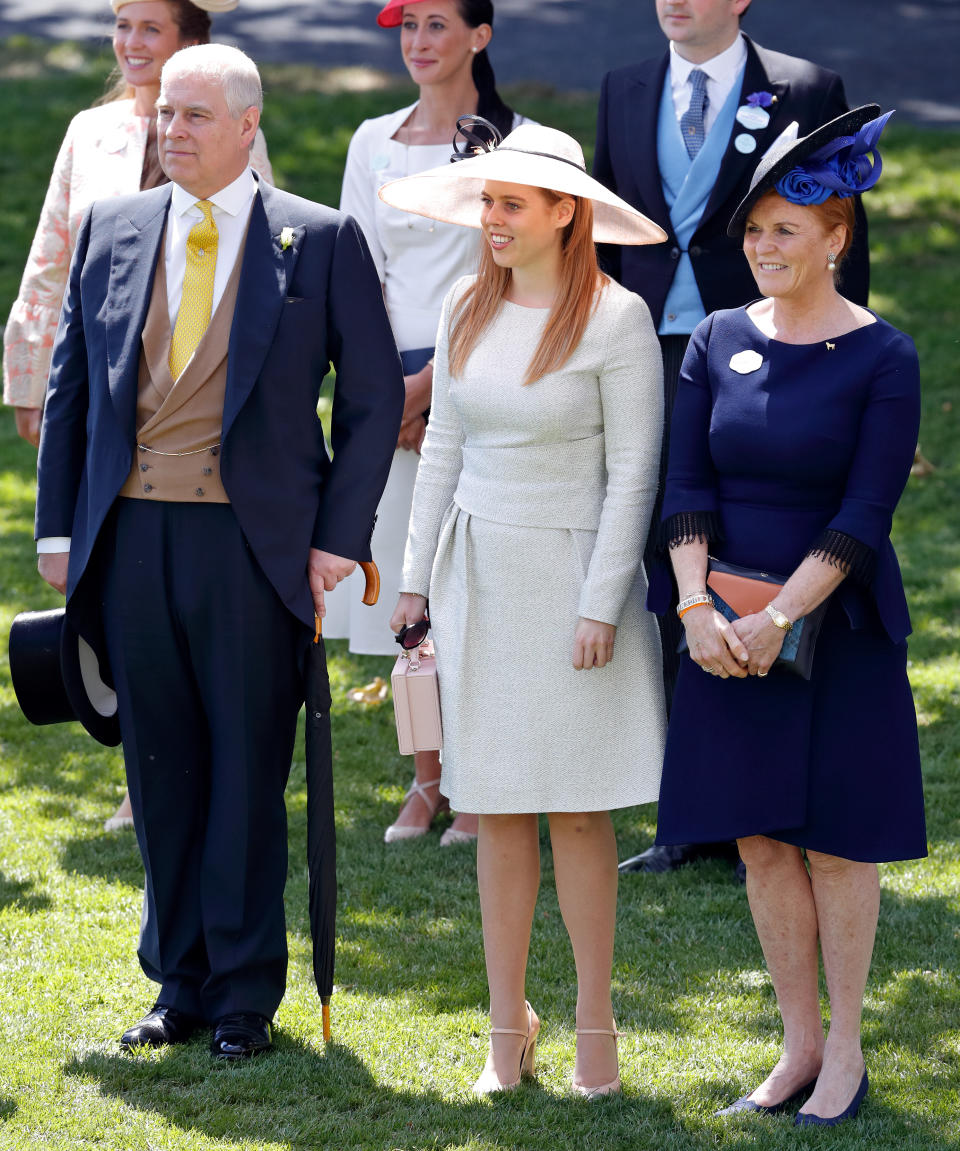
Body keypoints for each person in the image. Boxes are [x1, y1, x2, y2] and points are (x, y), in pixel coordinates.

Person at [34, 44, 403, 1059]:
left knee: (247, 766)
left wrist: (338, 539)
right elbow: (73, 388)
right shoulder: (113, 227)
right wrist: (60, 528)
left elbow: (371, 402)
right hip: (133, 537)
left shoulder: (317, 240)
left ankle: (244, 993)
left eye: (195, 116)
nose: (173, 131)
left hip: (253, 548)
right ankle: (178, 983)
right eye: (165, 115)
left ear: (248, 125)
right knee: (159, 768)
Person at [652, 106, 926, 1125]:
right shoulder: (717, 337)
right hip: (721, 626)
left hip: (836, 631)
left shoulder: (882, 355)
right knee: (762, 839)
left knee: (838, 839)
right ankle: (796, 1044)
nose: (763, 248)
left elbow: (866, 510)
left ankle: (847, 1050)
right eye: (755, 231)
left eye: (786, 232)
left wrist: (783, 616)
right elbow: (686, 484)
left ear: (837, 238)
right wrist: (695, 604)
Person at [382, 121, 668, 1096]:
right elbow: (443, 453)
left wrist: (600, 602)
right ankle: (507, 1028)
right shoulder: (465, 303)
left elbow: (634, 473)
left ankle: (596, 1019)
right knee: (496, 807)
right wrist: (415, 579)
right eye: (486, 202)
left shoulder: (618, 319)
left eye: (511, 203)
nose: (491, 219)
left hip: (579, 581)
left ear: (562, 213)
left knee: (581, 813)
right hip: (477, 581)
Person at [593, 0, 869, 875]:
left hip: (765, 352)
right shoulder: (623, 86)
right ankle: (693, 813)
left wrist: (838, 365)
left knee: (751, 559)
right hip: (644, 347)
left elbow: (840, 238)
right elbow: (603, 236)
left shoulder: (805, 87)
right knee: (668, 552)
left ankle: (777, 795)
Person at [2, 0, 272, 833]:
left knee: (172, 587)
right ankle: (141, 755)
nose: (130, 43)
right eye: (121, 26)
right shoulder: (89, 132)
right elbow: (52, 254)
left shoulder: (226, 125)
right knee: (112, 579)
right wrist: (29, 371)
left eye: (149, 28)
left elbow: (258, 245)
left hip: (188, 405)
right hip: (101, 391)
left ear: (191, 40)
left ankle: (171, 764)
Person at [327, 0, 527, 848]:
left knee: (473, 592)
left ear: (479, 36)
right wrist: (387, 395)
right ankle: (429, 780)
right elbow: (354, 271)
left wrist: (429, 389)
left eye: (437, 24)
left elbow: (512, 279)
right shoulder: (372, 140)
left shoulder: (521, 145)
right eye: (407, 28)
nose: (419, 43)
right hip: (388, 389)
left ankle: (485, 783)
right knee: (408, 603)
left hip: (484, 382)